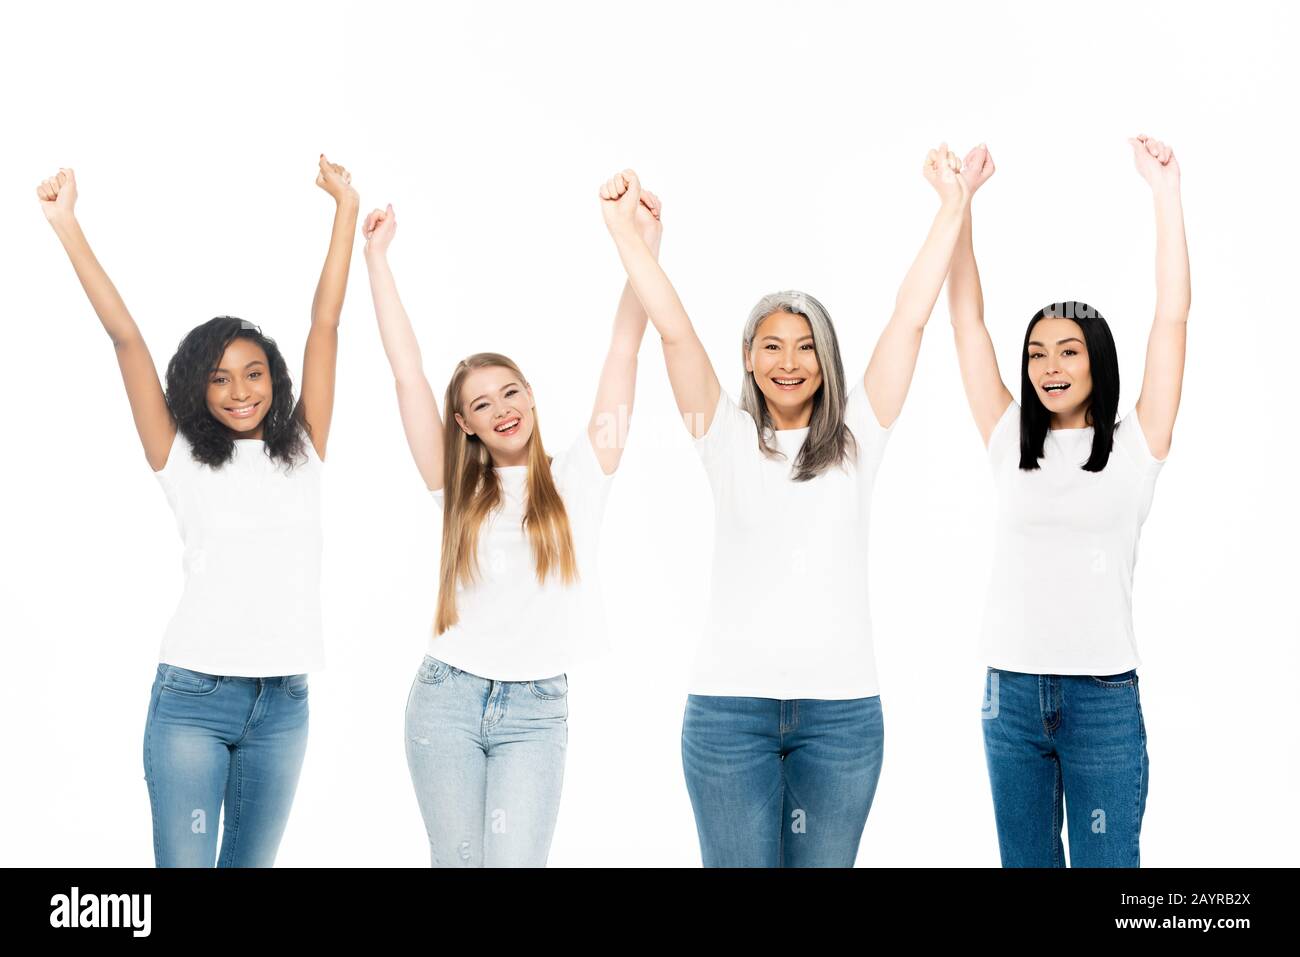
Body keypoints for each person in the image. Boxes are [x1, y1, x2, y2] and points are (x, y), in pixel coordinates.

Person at [600, 149, 970, 866]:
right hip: (728, 717)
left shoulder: (859, 437)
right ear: (747, 356)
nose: (790, 361)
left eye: (806, 346)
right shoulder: (726, 438)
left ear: (827, 358)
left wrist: (950, 209)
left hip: (842, 720)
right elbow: (673, 331)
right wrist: (627, 235)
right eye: (772, 345)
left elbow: (910, 319)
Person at [36, 155, 360, 866]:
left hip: (284, 704)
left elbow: (326, 323)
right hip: (192, 700)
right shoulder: (178, 456)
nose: (241, 390)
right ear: (197, 389)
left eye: (253, 372)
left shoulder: (303, 449)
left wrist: (344, 211)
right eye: (220, 378)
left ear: (274, 377)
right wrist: (67, 224)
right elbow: (127, 338)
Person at [361, 186, 660, 866]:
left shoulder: (584, 477)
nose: (502, 409)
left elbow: (623, 351)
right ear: (462, 423)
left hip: (535, 711)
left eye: (511, 391)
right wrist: (377, 259)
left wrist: (641, 245)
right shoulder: (455, 488)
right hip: (446, 700)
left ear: (531, 396)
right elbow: (408, 374)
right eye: (481, 403)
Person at [947, 137, 1189, 866]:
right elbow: (967, 322)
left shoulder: (1136, 443)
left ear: (1097, 359)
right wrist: (961, 207)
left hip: (1102, 699)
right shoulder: (1004, 440)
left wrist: (1165, 194)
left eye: (1068, 350)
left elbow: (1172, 316)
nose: (1049, 367)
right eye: (1037, 353)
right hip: (1009, 695)